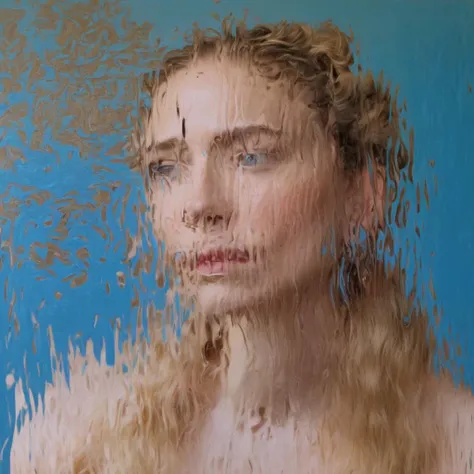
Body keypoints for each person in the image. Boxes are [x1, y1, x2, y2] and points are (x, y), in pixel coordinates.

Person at [10, 19, 474, 474]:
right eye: (166, 168)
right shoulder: (76, 441)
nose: (200, 205)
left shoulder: (457, 445)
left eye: (251, 156)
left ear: (362, 199)